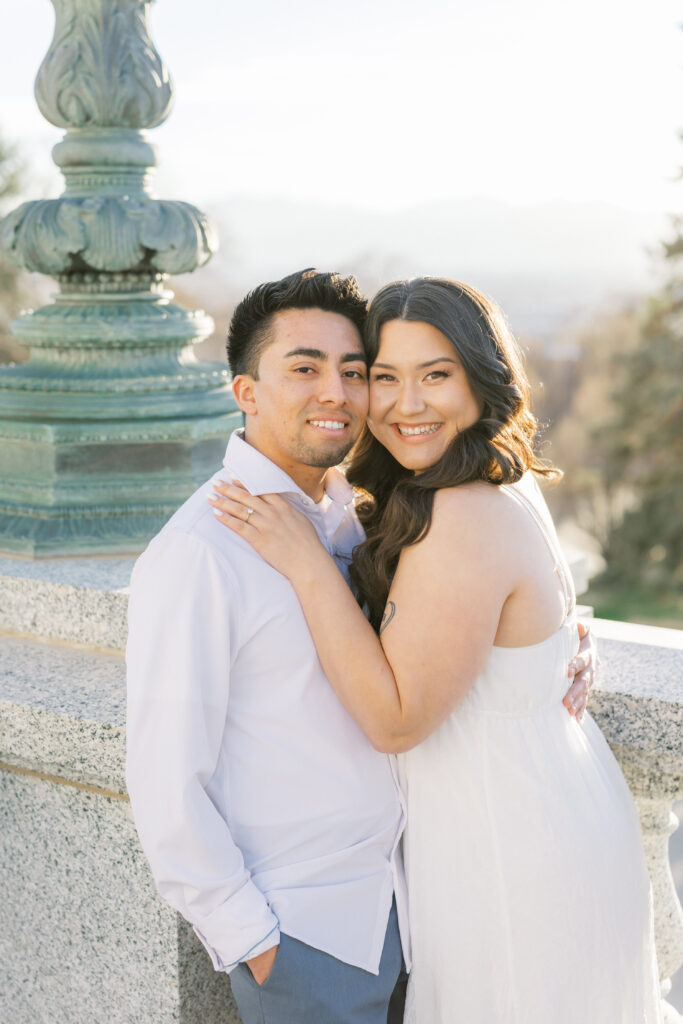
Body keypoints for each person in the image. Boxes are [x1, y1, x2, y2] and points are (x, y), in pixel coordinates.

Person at [126, 269, 594, 1024]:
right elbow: (163, 779)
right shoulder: (199, 554)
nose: (336, 394)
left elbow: (461, 611)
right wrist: (254, 940)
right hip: (309, 935)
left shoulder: (354, 517)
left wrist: (553, 649)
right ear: (245, 391)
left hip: (419, 905)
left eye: (354, 372)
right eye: (304, 368)